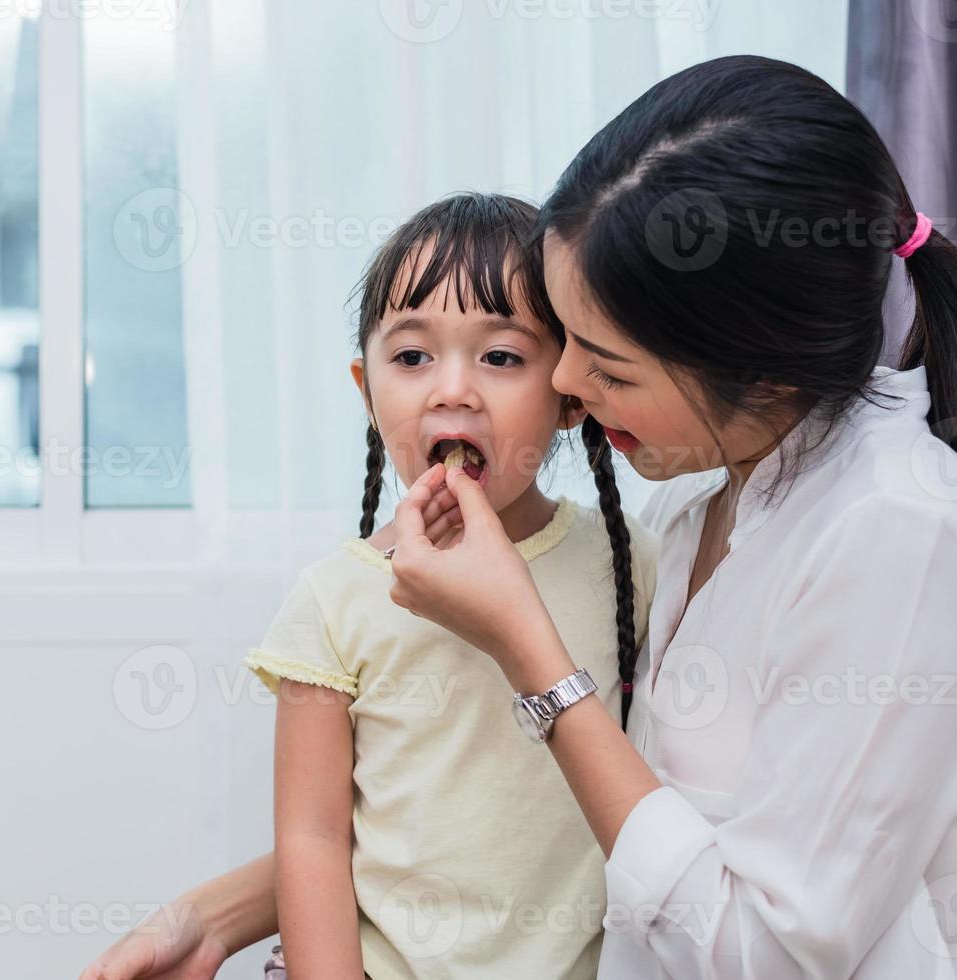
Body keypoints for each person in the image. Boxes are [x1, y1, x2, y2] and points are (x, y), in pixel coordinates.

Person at [81, 55, 957, 980]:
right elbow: (556, 819)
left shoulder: (892, 530)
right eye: (569, 342)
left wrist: (526, 649)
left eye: (602, 367)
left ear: (764, 374)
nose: (569, 386)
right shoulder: (700, 495)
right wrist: (218, 918)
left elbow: (760, 951)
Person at [244, 193, 657, 979]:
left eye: (501, 357)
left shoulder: (630, 561)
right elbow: (312, 840)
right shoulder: (334, 598)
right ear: (366, 388)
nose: (452, 390)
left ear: (570, 392)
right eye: (412, 358)